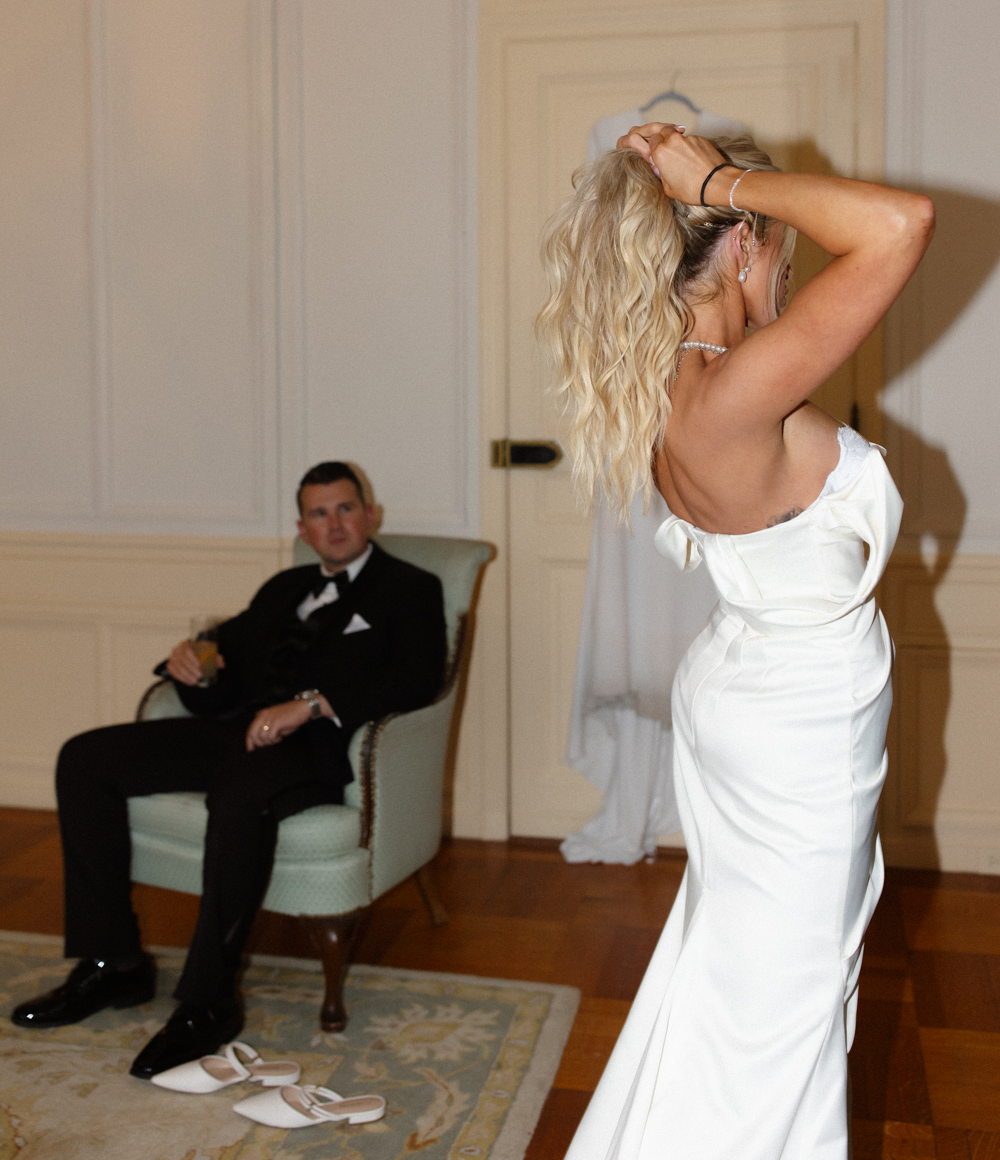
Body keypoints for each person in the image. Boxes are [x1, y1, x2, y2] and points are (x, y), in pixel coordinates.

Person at [537, 125, 934, 1159]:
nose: (790, 274)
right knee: (781, 1007)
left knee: (740, 975)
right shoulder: (734, 383)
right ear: (745, 243)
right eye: (780, 251)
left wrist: (727, 190)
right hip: (790, 721)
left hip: (758, 692)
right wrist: (720, 180)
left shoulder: (675, 378)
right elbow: (900, 226)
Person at [12, 461, 446, 1080]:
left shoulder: (410, 588)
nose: (336, 524)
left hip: (317, 749)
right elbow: (223, 674)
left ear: (370, 515)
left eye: (346, 508)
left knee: (238, 791)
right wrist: (194, 665)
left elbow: (418, 677)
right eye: (320, 514)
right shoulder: (281, 589)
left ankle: (208, 1001)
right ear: (303, 527)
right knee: (85, 758)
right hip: (235, 733)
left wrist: (314, 703)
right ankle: (113, 963)